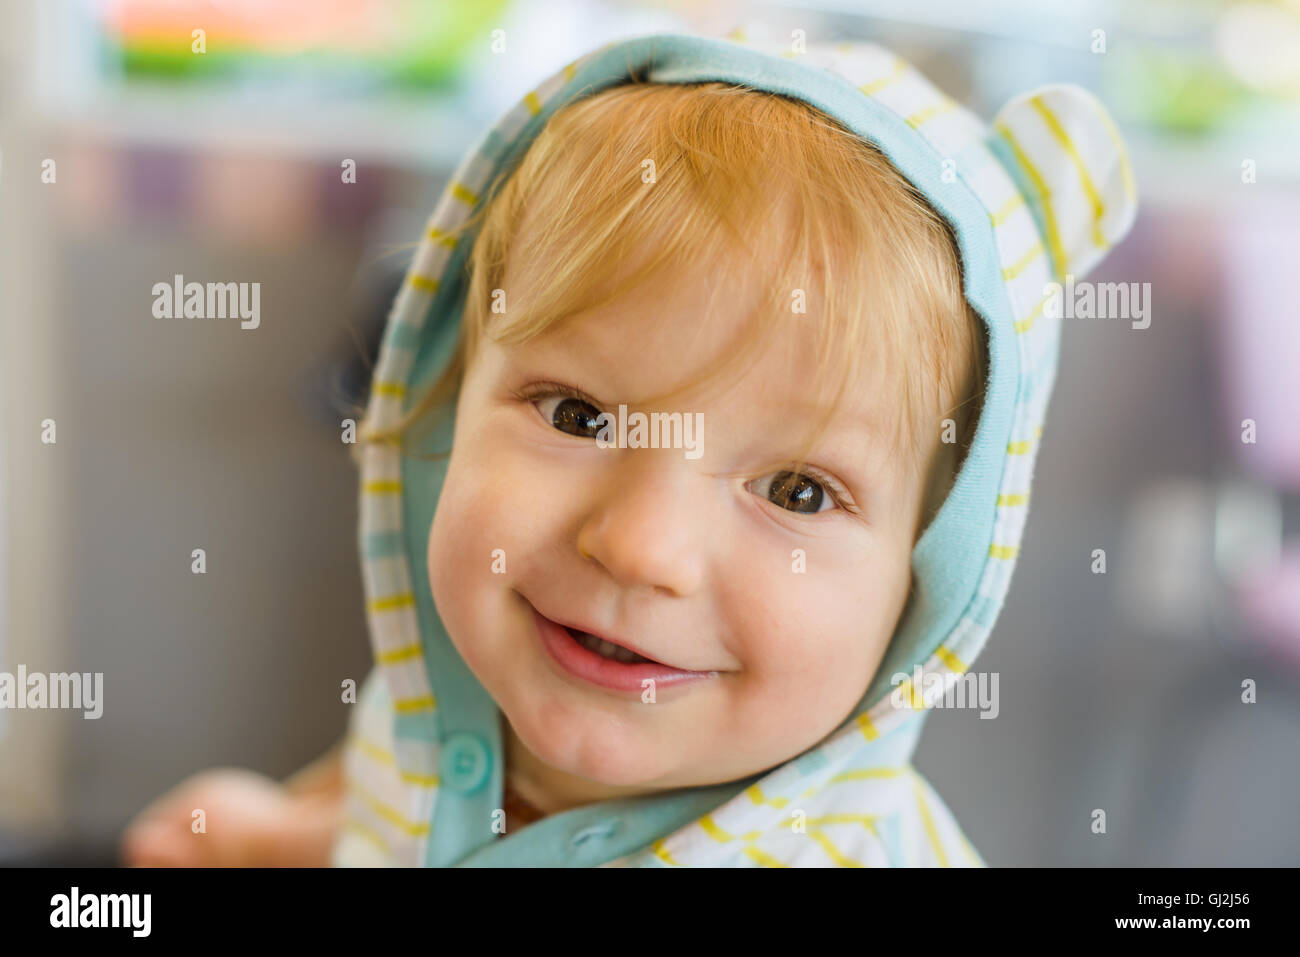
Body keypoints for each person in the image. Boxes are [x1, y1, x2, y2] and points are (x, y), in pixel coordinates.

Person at [122, 29, 1137, 867]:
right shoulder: (437, 703)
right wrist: (277, 843)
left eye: (795, 489)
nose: (642, 546)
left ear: (928, 580)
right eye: (576, 416)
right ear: (444, 408)